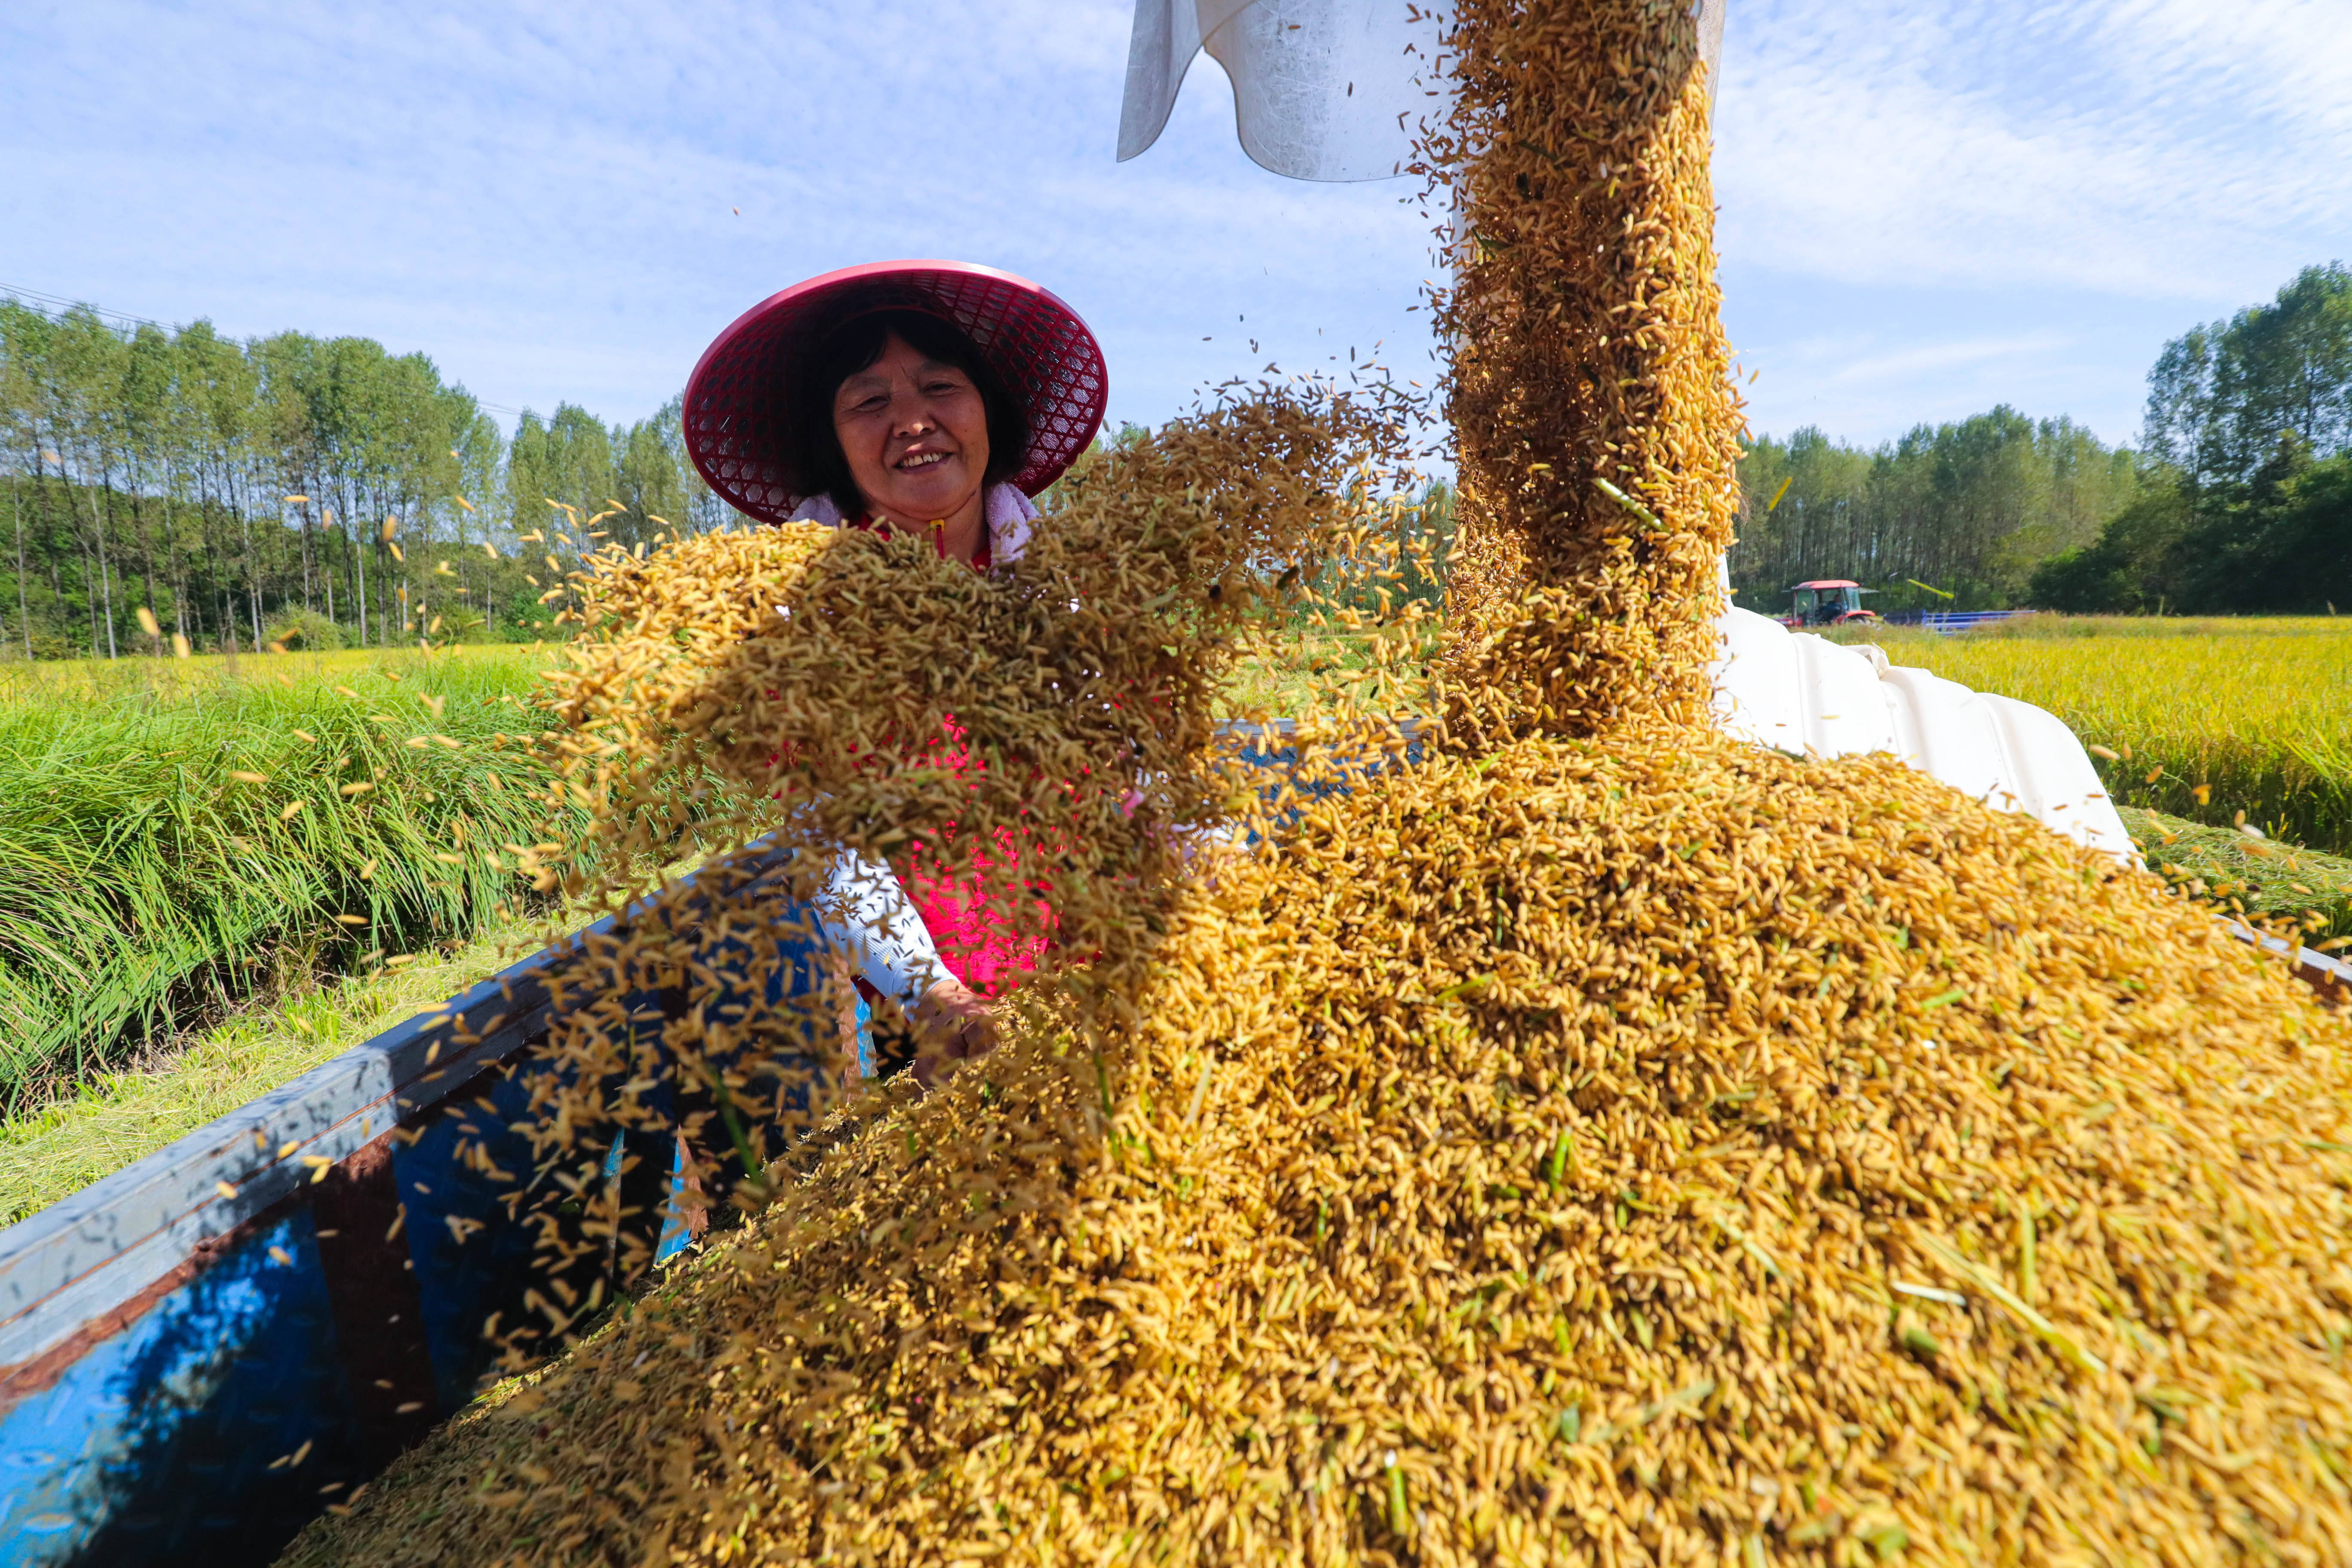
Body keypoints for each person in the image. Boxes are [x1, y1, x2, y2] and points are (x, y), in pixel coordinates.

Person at [683, 260, 1110, 1078]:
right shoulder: (800, 614)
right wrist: (932, 996)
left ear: (988, 410)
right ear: (834, 444)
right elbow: (827, 829)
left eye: (941, 387)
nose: (913, 421)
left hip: (1109, 983)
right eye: (870, 401)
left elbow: (1135, 773)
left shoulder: (1070, 583)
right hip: (946, 1024)